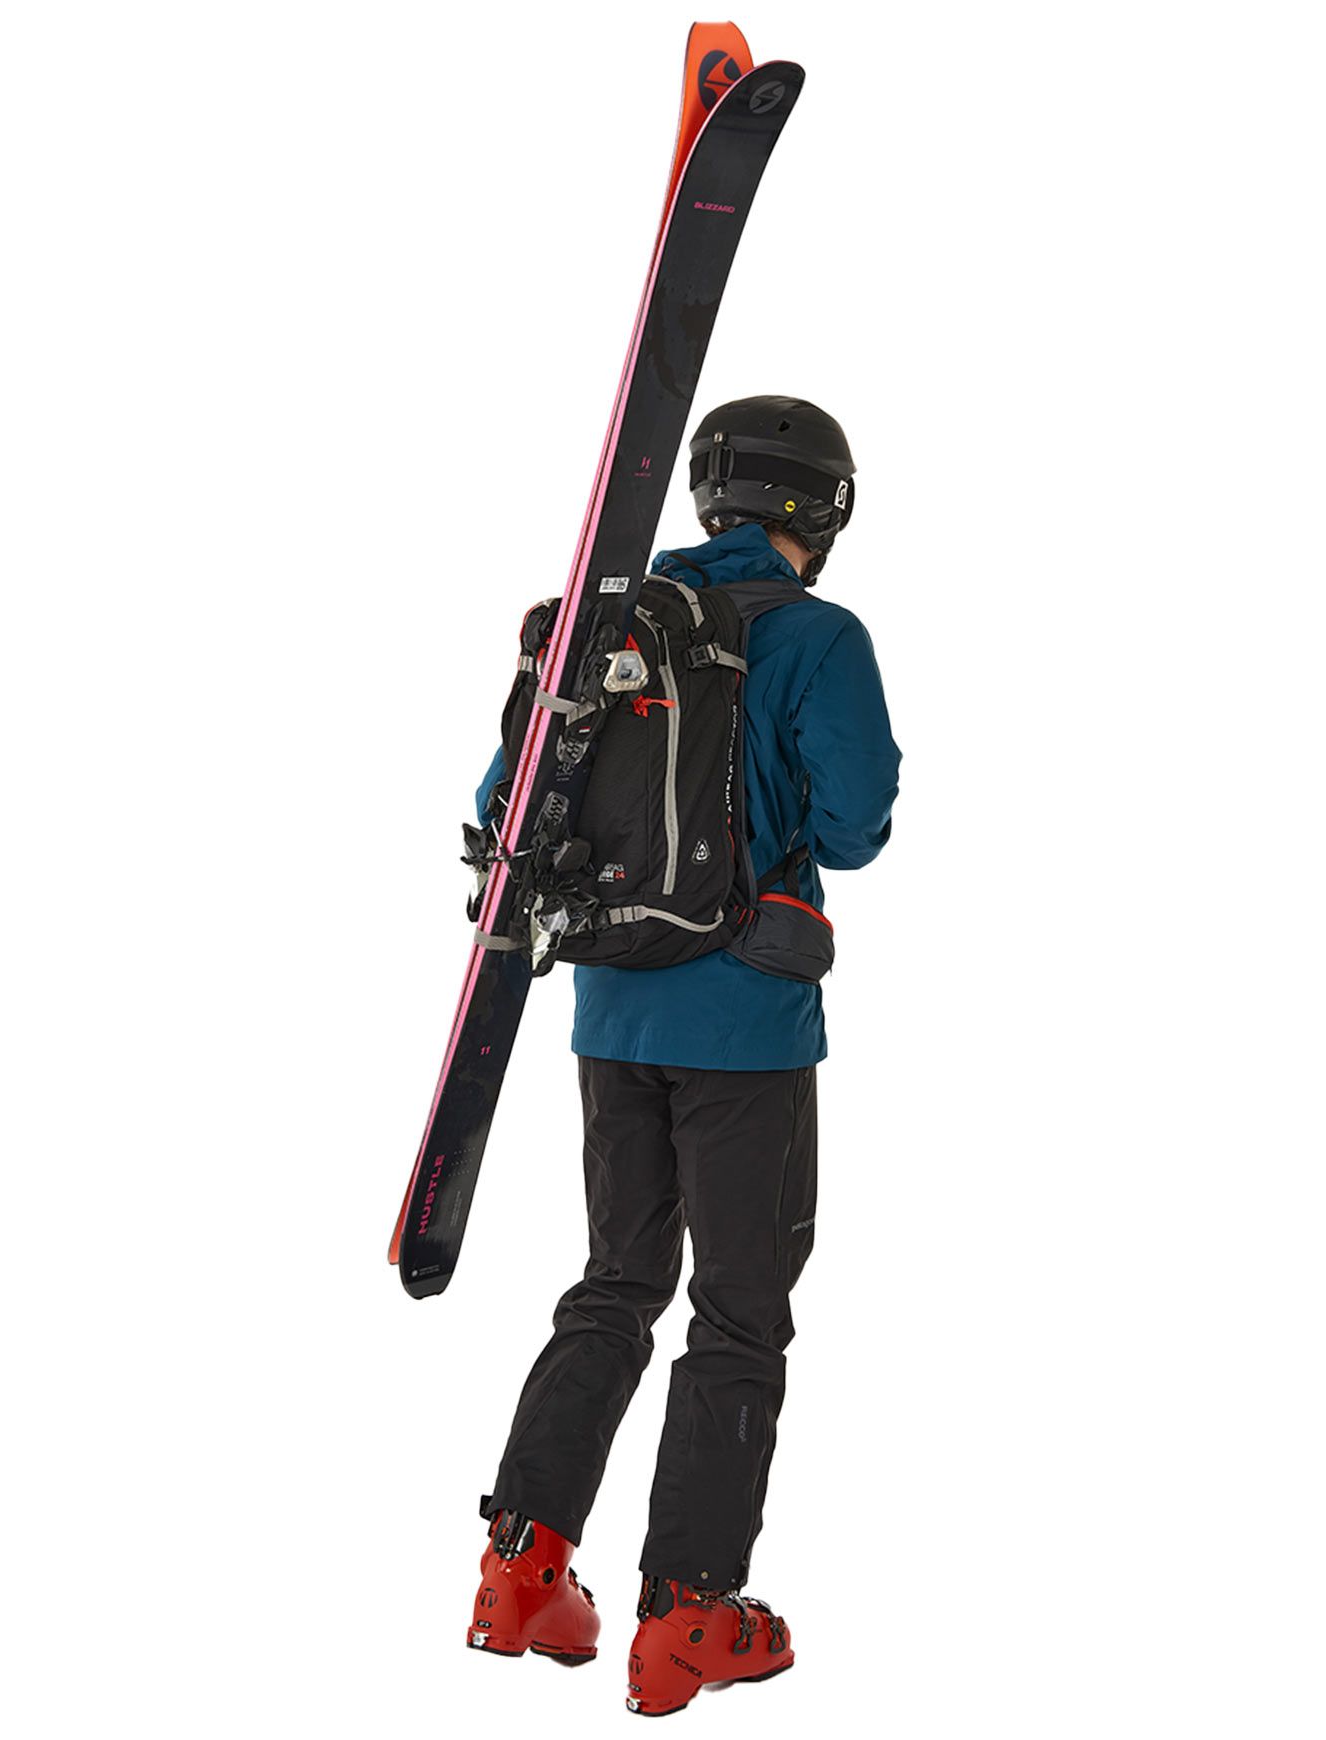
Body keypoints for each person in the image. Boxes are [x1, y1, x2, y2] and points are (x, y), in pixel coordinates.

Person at [464, 396, 901, 1717]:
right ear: (825, 509)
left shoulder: (611, 631)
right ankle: (689, 1614)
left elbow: (500, 806)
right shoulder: (817, 636)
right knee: (740, 1312)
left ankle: (519, 1570)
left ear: (708, 496)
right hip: (748, 1031)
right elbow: (859, 827)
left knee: (615, 1286)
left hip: (609, 1012)